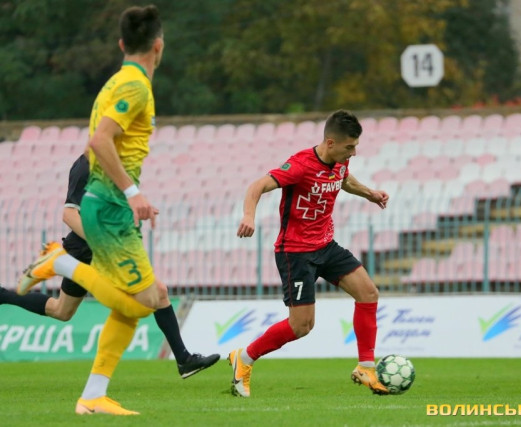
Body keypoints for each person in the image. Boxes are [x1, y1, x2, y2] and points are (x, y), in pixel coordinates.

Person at [17, 5, 212, 415]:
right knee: (143, 302)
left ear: (122, 44)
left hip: (109, 207)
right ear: (159, 46)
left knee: (145, 298)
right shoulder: (134, 86)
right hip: (108, 208)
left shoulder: (116, 83)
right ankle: (58, 262)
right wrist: (132, 192)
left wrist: (131, 196)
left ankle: (93, 395)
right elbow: (100, 140)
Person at [1, 153, 219, 378]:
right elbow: (69, 215)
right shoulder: (85, 166)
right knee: (158, 292)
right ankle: (183, 359)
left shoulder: (112, 163)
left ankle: (5, 295)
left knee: (62, 311)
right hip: (91, 248)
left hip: (99, 247)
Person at [229, 110, 390, 397]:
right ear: (330, 142)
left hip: (326, 246)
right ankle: (244, 358)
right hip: (296, 252)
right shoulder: (300, 165)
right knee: (301, 326)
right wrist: (249, 215)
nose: (353, 153)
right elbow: (258, 185)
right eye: (349, 147)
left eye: (355, 146)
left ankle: (366, 366)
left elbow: (344, 179)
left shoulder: (340, 161)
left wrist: (370, 194)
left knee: (368, 293)